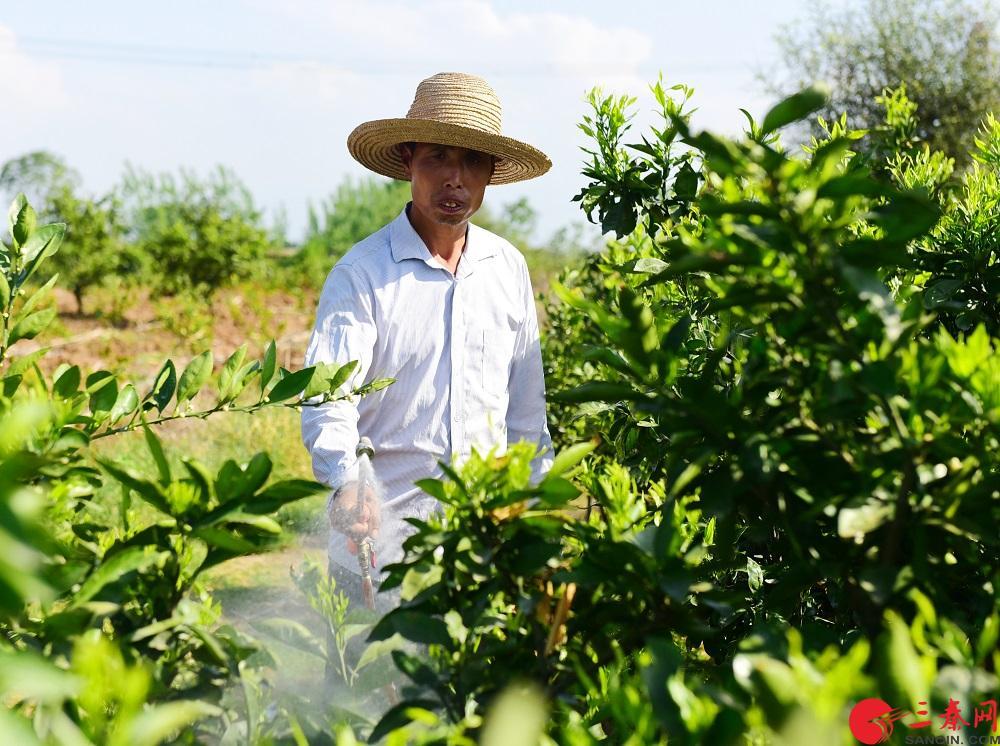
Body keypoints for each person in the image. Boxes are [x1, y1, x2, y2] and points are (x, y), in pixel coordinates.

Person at [300, 72, 554, 613]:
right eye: (438, 156)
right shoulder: (363, 274)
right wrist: (348, 483)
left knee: (484, 692)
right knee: (366, 693)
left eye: (472, 162)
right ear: (410, 160)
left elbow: (527, 415)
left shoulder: (506, 268)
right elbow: (329, 399)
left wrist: (535, 512)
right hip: (381, 542)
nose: (454, 180)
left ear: (490, 175)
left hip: (483, 544)